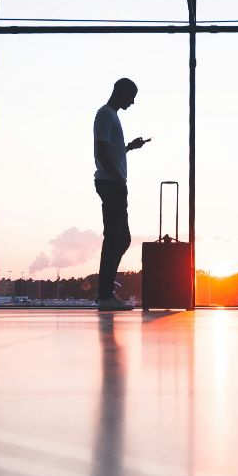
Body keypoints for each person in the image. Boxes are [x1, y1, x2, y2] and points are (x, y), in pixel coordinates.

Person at [93, 77, 149, 311]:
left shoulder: (111, 116)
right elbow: (101, 152)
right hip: (111, 182)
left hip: (113, 182)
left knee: (120, 238)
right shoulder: (105, 115)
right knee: (115, 238)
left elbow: (110, 151)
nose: (132, 102)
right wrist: (117, 178)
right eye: (131, 97)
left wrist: (129, 147)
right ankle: (105, 294)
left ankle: (106, 292)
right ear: (120, 92)